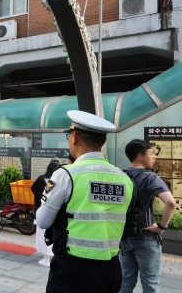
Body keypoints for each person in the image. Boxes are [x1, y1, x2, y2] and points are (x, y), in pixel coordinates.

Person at [36, 110, 134, 293]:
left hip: (72, 270)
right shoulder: (124, 179)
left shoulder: (66, 175)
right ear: (103, 142)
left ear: (75, 137)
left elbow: (43, 221)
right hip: (111, 269)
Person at [119, 139, 176, 293]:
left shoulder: (120, 175)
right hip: (146, 237)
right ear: (139, 156)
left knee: (125, 281)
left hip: (124, 238)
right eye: (151, 154)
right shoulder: (150, 177)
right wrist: (161, 227)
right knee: (150, 284)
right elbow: (170, 203)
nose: (154, 158)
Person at [31, 159, 60, 267]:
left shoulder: (41, 179)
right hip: (53, 211)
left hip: (41, 210)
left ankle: (46, 259)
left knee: (42, 235)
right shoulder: (54, 181)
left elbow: (33, 189)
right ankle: (49, 256)